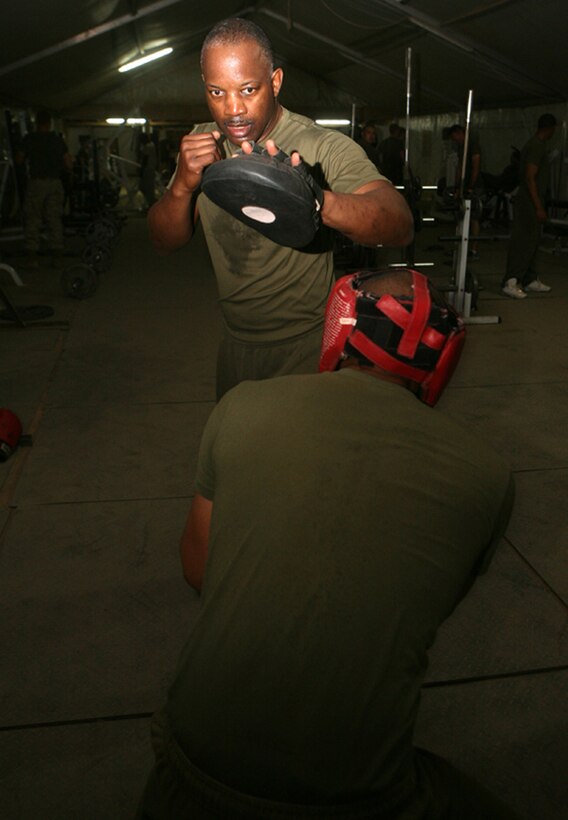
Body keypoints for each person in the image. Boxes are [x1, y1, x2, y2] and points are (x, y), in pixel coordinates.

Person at [137, 268, 521, 820]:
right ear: (442, 359)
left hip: (187, 764)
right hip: (358, 796)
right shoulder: (487, 475)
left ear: (340, 331)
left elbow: (198, 569)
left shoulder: (243, 405)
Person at [148, 18, 413, 399]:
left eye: (248, 89)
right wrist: (181, 188)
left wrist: (317, 199)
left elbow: (399, 223)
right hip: (235, 346)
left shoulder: (320, 145)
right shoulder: (202, 141)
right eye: (216, 92)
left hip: (307, 346)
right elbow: (163, 242)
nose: (232, 109)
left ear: (275, 82)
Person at [501, 113, 557, 299]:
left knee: (533, 240)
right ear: (550, 129)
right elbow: (529, 177)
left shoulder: (537, 145)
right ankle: (511, 281)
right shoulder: (536, 147)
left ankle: (529, 278)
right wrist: (538, 206)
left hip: (532, 200)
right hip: (529, 202)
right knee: (523, 241)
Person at [15, 109, 73, 269]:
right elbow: (68, 163)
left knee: (33, 219)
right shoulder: (57, 140)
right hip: (54, 183)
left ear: (36, 122)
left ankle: (32, 258)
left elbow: (19, 160)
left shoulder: (29, 139)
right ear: (50, 123)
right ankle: (57, 256)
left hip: (36, 183)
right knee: (54, 219)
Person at [448, 124, 483, 257]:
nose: (454, 140)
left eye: (454, 137)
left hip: (474, 186)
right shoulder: (461, 146)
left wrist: (471, 187)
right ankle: (460, 248)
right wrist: (457, 187)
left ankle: (473, 249)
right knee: (461, 216)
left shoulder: (472, 144)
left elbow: (476, 166)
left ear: (459, 133)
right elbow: (460, 167)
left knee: (473, 218)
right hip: (464, 185)